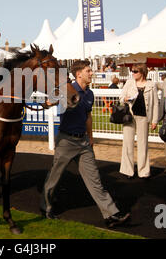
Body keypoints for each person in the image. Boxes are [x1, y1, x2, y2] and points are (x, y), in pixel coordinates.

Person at [41, 60, 131, 228]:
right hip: (66, 141)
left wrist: (90, 137)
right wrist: (49, 102)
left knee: (95, 179)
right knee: (54, 177)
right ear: (79, 74)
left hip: (83, 142)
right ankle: (45, 207)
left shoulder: (89, 94)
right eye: (89, 70)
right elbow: (49, 102)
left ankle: (111, 214)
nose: (91, 73)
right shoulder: (67, 89)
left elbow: (88, 117)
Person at [119, 63, 159, 179]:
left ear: (142, 72)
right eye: (132, 71)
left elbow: (156, 103)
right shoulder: (129, 83)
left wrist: (155, 120)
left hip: (144, 117)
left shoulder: (151, 85)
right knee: (127, 143)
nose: (133, 73)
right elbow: (121, 98)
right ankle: (128, 171)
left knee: (143, 144)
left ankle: (144, 171)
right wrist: (125, 99)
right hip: (130, 117)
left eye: (135, 71)